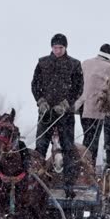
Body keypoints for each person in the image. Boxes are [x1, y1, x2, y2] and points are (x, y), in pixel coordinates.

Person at [31, 33, 84, 194]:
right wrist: (40, 101)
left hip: (65, 114)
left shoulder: (74, 64)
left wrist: (67, 103)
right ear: (51, 47)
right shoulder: (43, 63)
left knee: (68, 147)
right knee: (40, 147)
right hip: (46, 112)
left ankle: (69, 183)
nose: (57, 50)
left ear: (65, 47)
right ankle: (37, 180)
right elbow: (35, 84)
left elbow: (78, 87)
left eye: (60, 47)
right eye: (55, 47)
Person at [74, 43, 110, 166]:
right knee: (93, 139)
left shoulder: (86, 63)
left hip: (81, 106)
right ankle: (89, 166)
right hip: (96, 108)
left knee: (87, 135)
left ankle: (82, 163)